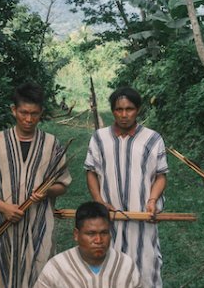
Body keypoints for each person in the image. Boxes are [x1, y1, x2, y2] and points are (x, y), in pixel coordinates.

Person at [0, 83, 72, 288]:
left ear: (41, 112)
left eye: (34, 113)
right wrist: (3, 207)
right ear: (13, 110)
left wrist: (47, 192)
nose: (28, 119)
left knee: (41, 274)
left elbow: (63, 184)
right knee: (1, 275)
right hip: (2, 224)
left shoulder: (51, 144)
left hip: (39, 224)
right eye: (23, 113)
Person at [83, 86, 167, 288]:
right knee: (108, 271)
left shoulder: (152, 139)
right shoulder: (99, 138)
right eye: (119, 109)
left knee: (146, 270)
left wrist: (152, 201)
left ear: (137, 110)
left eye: (129, 109)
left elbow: (161, 176)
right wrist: (99, 201)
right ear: (113, 111)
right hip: (109, 218)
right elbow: (91, 172)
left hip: (142, 218)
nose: (124, 114)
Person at [33, 201, 144, 288]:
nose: (98, 240)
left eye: (104, 233)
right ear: (76, 234)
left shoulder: (125, 265)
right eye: (91, 234)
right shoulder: (57, 268)